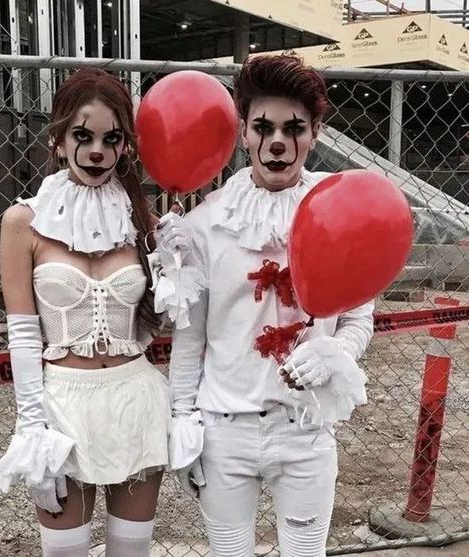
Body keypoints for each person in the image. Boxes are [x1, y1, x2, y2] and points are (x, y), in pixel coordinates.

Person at [168, 54, 374, 557]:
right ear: (243, 133)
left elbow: (358, 316)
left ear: (315, 134)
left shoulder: (338, 212)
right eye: (263, 127)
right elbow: (189, 336)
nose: (277, 142)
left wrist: (333, 354)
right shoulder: (206, 223)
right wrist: (182, 419)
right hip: (224, 430)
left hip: (305, 427)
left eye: (293, 128)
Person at [0, 68, 202, 557]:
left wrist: (178, 265)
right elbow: (23, 335)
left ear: (126, 146)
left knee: (131, 552)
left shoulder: (143, 221)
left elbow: (167, 320)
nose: (96, 151)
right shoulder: (23, 222)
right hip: (62, 407)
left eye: (112, 139)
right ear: (59, 139)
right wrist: (31, 427)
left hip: (135, 400)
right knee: (64, 552)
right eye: (82, 136)